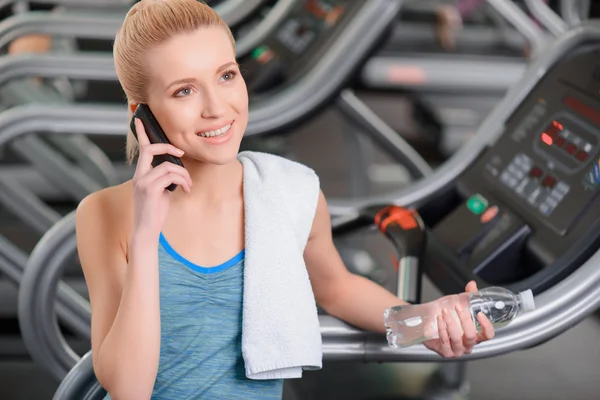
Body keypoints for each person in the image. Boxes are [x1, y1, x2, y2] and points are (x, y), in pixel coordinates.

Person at [75, 1, 495, 399]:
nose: (216, 107)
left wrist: (428, 321)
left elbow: (338, 288)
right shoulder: (104, 214)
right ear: (141, 113)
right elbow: (128, 389)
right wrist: (146, 233)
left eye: (226, 76)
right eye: (185, 91)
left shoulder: (291, 193)